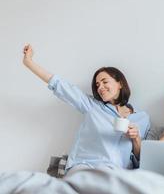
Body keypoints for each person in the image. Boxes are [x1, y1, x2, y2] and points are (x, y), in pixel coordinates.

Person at [22, 44, 150, 174]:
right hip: (85, 167)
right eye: (97, 84)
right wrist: (29, 62)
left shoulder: (142, 118)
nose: (100, 87)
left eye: (105, 82)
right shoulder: (92, 106)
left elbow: (141, 159)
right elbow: (60, 85)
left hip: (117, 173)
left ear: (120, 84)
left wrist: (136, 139)